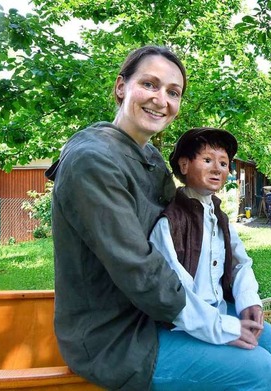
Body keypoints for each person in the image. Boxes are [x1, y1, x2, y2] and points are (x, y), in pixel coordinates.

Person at [46, 46, 188, 391]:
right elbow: (136, 266)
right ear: (121, 87)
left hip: (149, 313)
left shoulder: (149, 156)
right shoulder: (93, 161)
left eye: (173, 92)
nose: (161, 100)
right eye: (149, 84)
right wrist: (204, 317)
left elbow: (175, 227)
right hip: (113, 338)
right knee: (253, 367)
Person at [148, 127, 271, 390]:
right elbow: (175, 293)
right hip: (178, 327)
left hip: (216, 313)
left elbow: (240, 262)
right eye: (208, 160)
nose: (218, 169)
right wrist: (223, 328)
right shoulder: (171, 223)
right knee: (260, 367)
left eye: (223, 163)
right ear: (185, 164)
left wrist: (249, 302)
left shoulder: (217, 215)